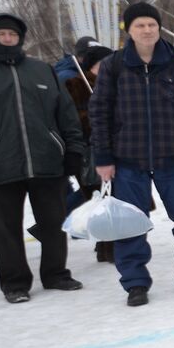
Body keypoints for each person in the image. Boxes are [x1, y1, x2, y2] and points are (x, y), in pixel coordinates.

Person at [0, 13, 86, 303]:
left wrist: (74, 150)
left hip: (47, 160)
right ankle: (14, 283)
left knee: (53, 222)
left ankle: (55, 274)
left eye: (12, 34)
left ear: (20, 37)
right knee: (5, 229)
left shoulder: (42, 71)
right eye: (1, 34)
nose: (8, 38)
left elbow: (66, 114)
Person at [88, 3, 174, 306]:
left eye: (151, 25)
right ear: (129, 30)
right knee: (130, 223)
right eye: (140, 25)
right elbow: (99, 111)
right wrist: (103, 157)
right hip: (128, 159)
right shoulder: (114, 66)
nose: (146, 30)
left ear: (159, 28)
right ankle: (135, 282)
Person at [65, 41, 116, 263]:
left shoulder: (115, 83)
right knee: (100, 200)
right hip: (90, 152)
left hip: (116, 149)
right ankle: (108, 248)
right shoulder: (75, 85)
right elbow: (72, 120)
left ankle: (108, 246)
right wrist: (98, 117)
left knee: (113, 200)